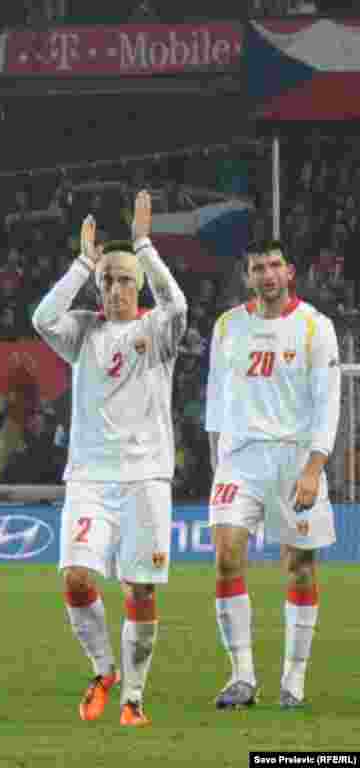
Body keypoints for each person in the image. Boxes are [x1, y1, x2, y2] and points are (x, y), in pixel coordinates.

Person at [32, 191, 187, 726]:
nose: (115, 287)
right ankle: (103, 670)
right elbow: (41, 317)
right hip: (90, 478)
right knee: (77, 577)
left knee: (140, 588)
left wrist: (143, 246)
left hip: (146, 476)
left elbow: (179, 304)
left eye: (124, 278)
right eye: (108, 280)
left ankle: (134, 698)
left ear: (138, 282)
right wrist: (82, 263)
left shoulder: (157, 331)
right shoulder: (83, 332)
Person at [205, 241, 341, 711]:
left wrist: (314, 467)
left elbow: (329, 404)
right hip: (238, 459)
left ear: (290, 273)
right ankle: (242, 675)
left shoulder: (314, 327)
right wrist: (215, 460)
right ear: (248, 276)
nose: (267, 274)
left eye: (274, 266)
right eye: (257, 267)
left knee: (300, 567)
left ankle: (293, 678)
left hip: (294, 458)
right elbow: (214, 402)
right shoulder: (227, 327)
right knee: (226, 557)